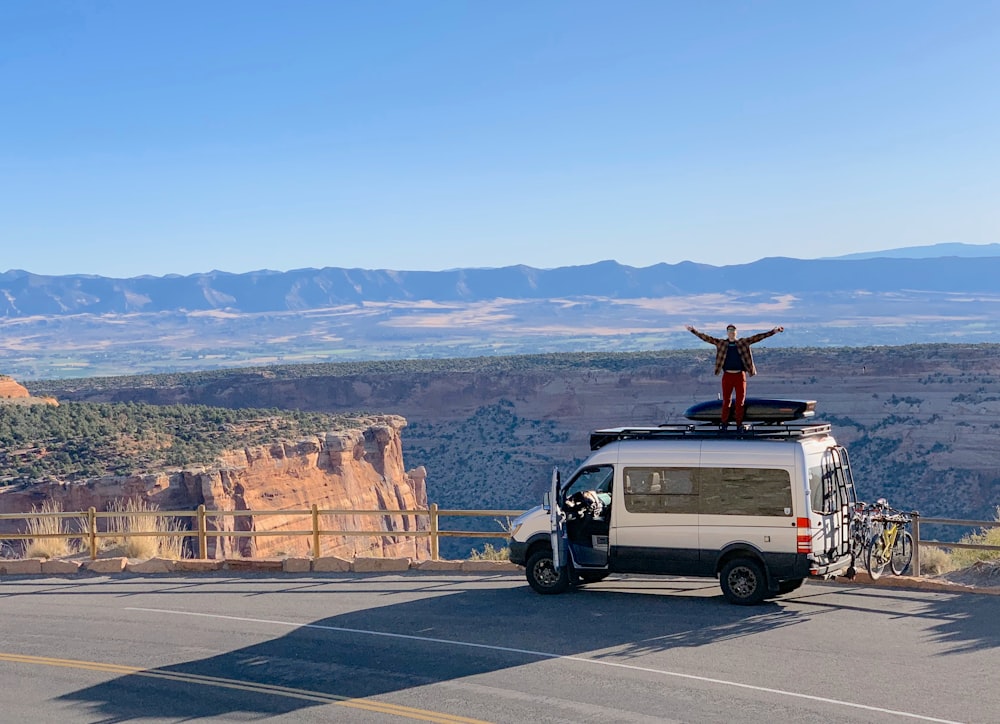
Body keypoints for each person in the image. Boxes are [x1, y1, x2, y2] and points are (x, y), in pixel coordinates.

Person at [686, 323, 784, 428]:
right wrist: (693, 331)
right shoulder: (722, 344)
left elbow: (758, 337)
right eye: (729, 331)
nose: (731, 333)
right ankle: (724, 424)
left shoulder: (743, 343)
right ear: (727, 333)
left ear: (736, 332)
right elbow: (706, 338)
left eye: (733, 331)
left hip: (740, 376)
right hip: (727, 375)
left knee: (740, 402)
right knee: (726, 401)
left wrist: (774, 332)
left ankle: (738, 424)